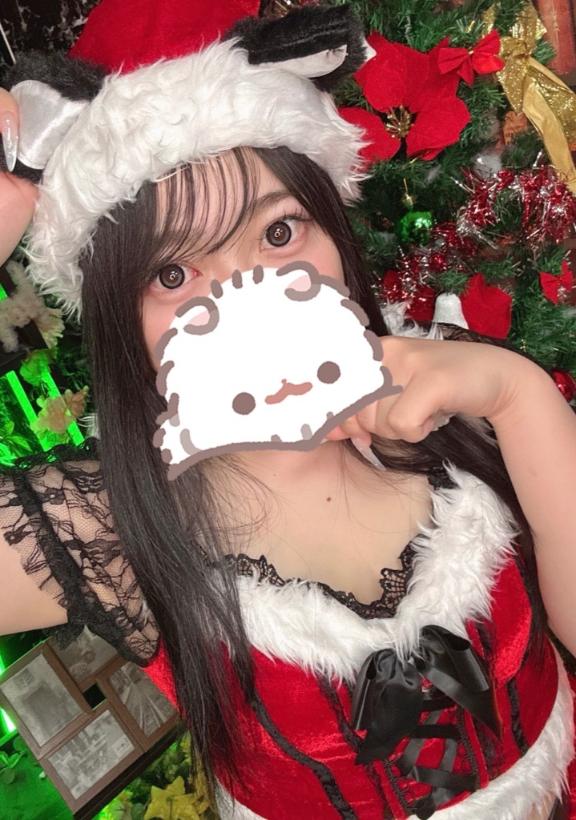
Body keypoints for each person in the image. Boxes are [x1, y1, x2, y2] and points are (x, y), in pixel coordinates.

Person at [0, 1, 575, 818]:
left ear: (333, 230)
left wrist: (519, 395)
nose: (247, 296)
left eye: (278, 234)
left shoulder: (456, 399)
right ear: (123, 320)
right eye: (173, 275)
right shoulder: (108, 527)